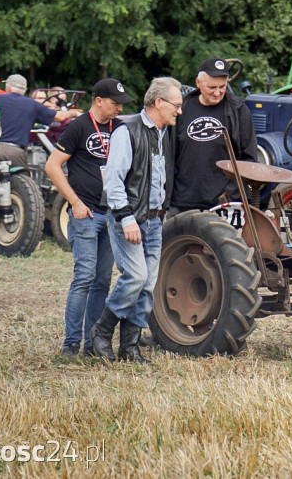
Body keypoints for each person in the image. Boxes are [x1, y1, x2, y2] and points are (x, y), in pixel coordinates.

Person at [91, 77, 182, 364]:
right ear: (158, 102)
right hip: (128, 219)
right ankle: (101, 333)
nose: (179, 111)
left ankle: (129, 347)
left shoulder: (163, 133)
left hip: (154, 220)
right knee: (135, 278)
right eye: (176, 105)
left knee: (147, 285)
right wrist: (127, 219)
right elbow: (114, 182)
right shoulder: (126, 132)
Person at [45, 78, 134, 358]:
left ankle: (91, 343)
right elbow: (52, 166)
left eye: (121, 103)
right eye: (114, 102)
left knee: (102, 280)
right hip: (86, 213)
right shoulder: (78, 127)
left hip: (112, 215)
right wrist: (75, 202)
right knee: (84, 276)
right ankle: (71, 343)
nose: (119, 107)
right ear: (98, 101)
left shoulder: (121, 129)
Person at [169, 58, 258, 214]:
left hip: (224, 205)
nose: (217, 93)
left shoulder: (238, 110)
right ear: (198, 83)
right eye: (211, 87)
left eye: (222, 87)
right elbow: (167, 156)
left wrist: (230, 195)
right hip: (182, 203)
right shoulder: (180, 108)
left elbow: (249, 160)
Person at [0, 74, 80, 167]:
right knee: (22, 178)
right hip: (16, 151)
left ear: (8, 88)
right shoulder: (32, 104)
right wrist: (74, 113)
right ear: (25, 90)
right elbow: (59, 117)